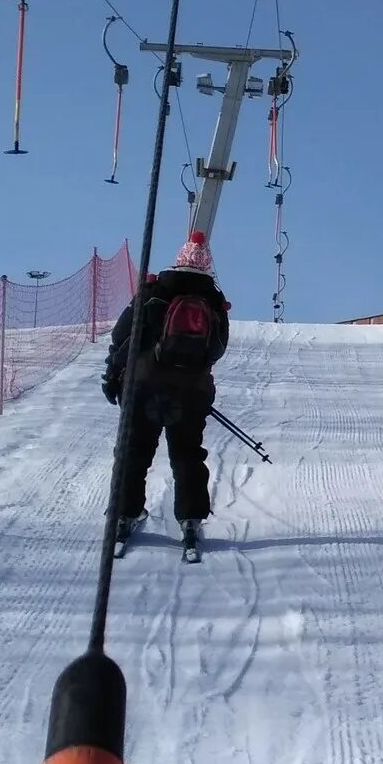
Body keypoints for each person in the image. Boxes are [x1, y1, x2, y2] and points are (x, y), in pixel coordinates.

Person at [104, 230, 232, 558]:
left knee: (134, 451)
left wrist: (114, 374)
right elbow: (216, 350)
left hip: (143, 387)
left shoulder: (153, 292)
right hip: (190, 394)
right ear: (206, 267)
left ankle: (124, 514)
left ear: (178, 261)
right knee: (188, 455)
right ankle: (190, 519)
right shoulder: (214, 302)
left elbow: (122, 336)